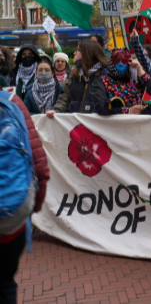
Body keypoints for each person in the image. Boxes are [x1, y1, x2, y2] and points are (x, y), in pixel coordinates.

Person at [0, 86, 49, 304]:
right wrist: (32, 207)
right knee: (5, 284)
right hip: (12, 217)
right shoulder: (13, 102)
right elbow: (39, 166)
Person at [46, 39, 108, 118]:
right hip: (74, 123)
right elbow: (65, 97)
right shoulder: (74, 75)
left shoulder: (105, 77)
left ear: (87, 53)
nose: (74, 53)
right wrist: (57, 110)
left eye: (78, 50)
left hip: (95, 123)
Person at [97, 48, 151, 115]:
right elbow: (101, 107)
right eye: (116, 61)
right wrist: (128, 111)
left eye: (124, 60)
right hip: (119, 121)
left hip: (142, 120)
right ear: (111, 62)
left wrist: (140, 70)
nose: (120, 64)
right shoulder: (103, 81)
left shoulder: (136, 78)